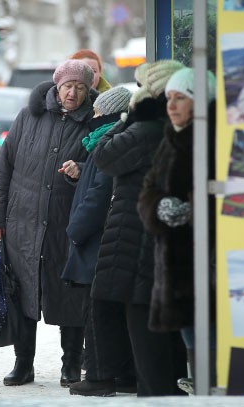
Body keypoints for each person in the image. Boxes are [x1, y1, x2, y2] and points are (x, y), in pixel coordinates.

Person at [0, 59, 96, 387]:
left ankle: (71, 364)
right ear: (56, 87)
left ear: (88, 90)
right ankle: (23, 364)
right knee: (22, 292)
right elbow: (2, 169)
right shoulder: (28, 117)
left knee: (70, 293)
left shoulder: (92, 123)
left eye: (79, 87)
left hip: (66, 224)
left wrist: (82, 169)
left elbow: (101, 168)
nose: (72, 93)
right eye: (67, 86)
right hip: (23, 222)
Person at [81, 59, 188, 397]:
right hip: (149, 236)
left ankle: (151, 392)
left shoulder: (146, 128)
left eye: (142, 87)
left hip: (136, 237)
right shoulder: (168, 129)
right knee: (161, 330)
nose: (137, 93)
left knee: (143, 329)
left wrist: (129, 117)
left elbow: (103, 155)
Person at [137, 66, 217, 394]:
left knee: (207, 321)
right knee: (187, 321)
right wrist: (158, 206)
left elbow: (224, 190)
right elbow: (148, 188)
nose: (171, 105)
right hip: (174, 253)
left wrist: (195, 208)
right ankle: (199, 380)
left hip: (205, 253)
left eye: (180, 97)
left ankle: (210, 381)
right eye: (169, 97)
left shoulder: (211, 138)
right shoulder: (172, 137)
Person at [60, 85, 137, 397]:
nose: (91, 115)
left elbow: (98, 195)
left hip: (97, 240)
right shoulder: (102, 143)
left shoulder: (109, 144)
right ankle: (117, 374)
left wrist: (75, 229)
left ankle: (102, 375)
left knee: (99, 312)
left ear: (107, 113)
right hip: (100, 238)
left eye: (96, 111)